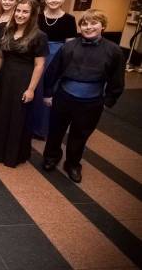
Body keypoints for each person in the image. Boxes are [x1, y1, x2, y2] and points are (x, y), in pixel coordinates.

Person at [42, 9, 124, 183]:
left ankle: (72, 164)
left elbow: (117, 80)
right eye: (85, 24)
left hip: (91, 102)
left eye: (93, 23)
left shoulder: (114, 51)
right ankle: (51, 157)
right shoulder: (69, 47)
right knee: (56, 131)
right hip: (64, 97)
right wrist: (48, 94)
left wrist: (107, 101)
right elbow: (52, 72)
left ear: (103, 26)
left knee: (80, 135)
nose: (88, 27)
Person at [0, 0, 48, 168]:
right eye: (18, 11)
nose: (20, 14)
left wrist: (31, 89)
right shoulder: (8, 31)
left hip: (23, 80)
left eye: (25, 12)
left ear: (32, 15)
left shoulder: (39, 36)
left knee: (17, 116)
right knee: (0, 112)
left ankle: (11, 154)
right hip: (4, 78)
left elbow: (39, 65)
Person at [32, 0, 77, 139]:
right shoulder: (37, 17)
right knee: (35, 89)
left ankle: (44, 128)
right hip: (37, 55)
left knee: (49, 91)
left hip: (57, 56)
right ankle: (31, 125)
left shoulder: (69, 19)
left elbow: (70, 45)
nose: (54, 0)